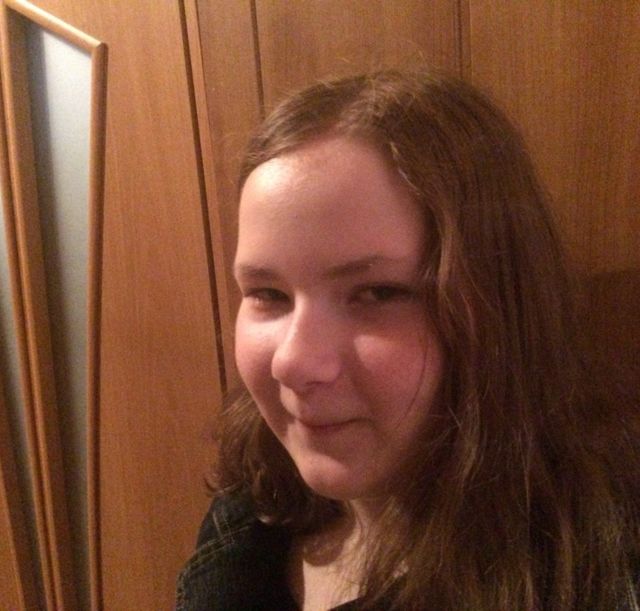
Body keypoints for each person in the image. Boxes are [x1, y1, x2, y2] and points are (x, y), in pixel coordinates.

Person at [175, 70, 640, 610]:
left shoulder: (591, 570)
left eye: (377, 293)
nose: (293, 362)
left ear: (498, 305)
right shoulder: (254, 503)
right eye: (268, 294)